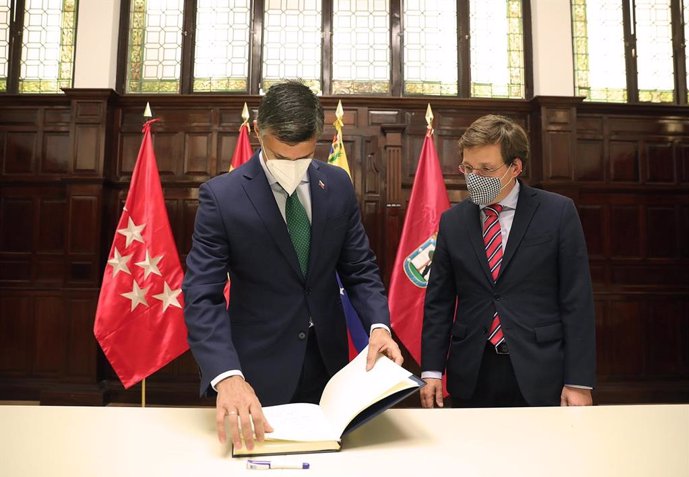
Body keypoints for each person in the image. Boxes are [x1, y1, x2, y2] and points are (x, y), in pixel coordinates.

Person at [182, 80, 402, 450]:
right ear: (257, 131)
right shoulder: (223, 197)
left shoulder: (337, 184)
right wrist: (226, 375)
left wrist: (379, 325)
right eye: (281, 158)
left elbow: (360, 268)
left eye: (303, 156)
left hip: (331, 366)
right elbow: (202, 295)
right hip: (255, 371)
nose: (293, 167)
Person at [420, 114, 595, 409]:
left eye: (486, 169)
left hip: (540, 368)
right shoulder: (453, 221)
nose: (474, 177)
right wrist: (432, 371)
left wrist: (578, 381)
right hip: (472, 370)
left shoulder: (558, 212)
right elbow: (439, 302)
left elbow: (576, 301)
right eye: (468, 168)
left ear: (515, 167)